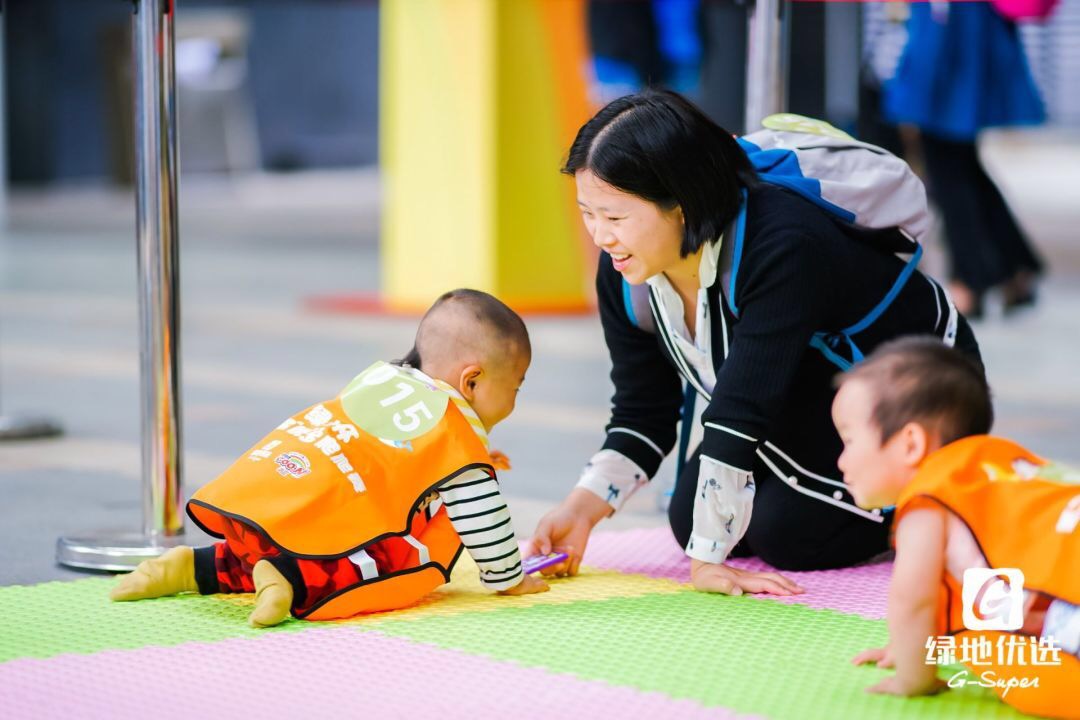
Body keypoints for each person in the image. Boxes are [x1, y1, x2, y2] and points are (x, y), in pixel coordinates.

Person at [528, 89, 982, 596]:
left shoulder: (782, 243)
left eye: (614, 217)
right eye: (588, 213)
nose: (599, 235)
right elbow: (642, 410)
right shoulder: (625, 270)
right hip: (803, 393)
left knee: (787, 532)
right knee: (689, 517)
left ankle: (923, 504)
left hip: (911, 398)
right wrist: (581, 509)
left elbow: (741, 410)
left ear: (681, 204)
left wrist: (706, 560)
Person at [111, 289, 547, 626]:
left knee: (276, 541)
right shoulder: (456, 437)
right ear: (471, 382)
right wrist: (510, 578)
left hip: (271, 490)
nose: (515, 400)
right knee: (380, 563)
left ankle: (194, 565)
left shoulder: (385, 380)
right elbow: (482, 519)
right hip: (324, 530)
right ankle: (285, 580)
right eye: (516, 386)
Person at [835, 338, 1079, 719]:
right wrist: (910, 644)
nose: (840, 460)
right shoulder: (997, 467)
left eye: (849, 441)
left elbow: (913, 600)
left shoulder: (929, 502)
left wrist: (914, 676)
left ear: (911, 444)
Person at [884, 1, 1046, 318]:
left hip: (948, 34)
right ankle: (1014, 266)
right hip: (960, 32)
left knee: (947, 163)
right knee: (958, 161)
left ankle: (973, 279)